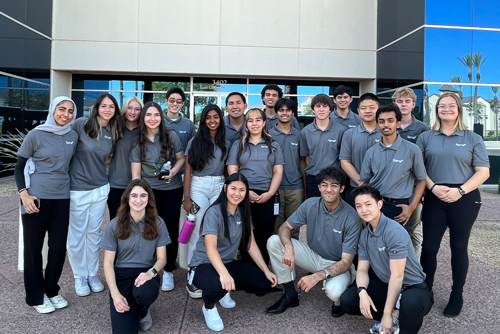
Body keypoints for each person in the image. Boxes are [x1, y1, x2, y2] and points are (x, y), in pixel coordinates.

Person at [416, 93, 489, 317]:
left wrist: (460, 191)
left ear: (458, 109)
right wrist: (433, 187)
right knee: (429, 247)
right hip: (434, 196)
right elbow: (419, 169)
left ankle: (457, 294)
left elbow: (483, 172)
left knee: (459, 247)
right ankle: (425, 292)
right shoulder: (426, 137)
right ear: (436, 110)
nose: (446, 109)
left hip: (464, 198)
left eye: (451, 105)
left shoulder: (472, 138)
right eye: (442, 106)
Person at [266, 167, 361, 318]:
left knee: (335, 292)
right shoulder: (310, 204)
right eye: (324, 184)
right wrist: (289, 246)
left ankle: (337, 303)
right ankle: (290, 295)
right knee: (274, 241)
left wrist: (316, 277)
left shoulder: (352, 217)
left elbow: (346, 262)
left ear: (342, 188)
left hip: (338, 263)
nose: (328, 189)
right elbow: (285, 227)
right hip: (313, 255)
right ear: (319, 187)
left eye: (334, 185)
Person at [189, 173, 278, 332]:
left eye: (242, 190)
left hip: (228, 262)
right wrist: (223, 274)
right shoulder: (214, 212)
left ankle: (225, 289)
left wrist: (266, 270)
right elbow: (211, 248)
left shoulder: (243, 213)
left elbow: (250, 244)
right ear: (225, 188)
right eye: (233, 188)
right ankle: (209, 307)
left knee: (264, 284)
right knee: (216, 285)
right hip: (204, 264)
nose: (237, 193)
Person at [340, 186, 433, 334]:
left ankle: (395, 317)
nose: (363, 210)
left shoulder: (394, 232)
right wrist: (362, 291)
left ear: (379, 204)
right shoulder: (364, 235)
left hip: (412, 287)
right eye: (359, 206)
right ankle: (396, 315)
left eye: (368, 204)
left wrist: (386, 314)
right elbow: (362, 269)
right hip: (386, 285)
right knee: (348, 301)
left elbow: (397, 277)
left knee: (410, 303)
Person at [15, 96, 78, 313]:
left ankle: (52, 290)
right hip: (35, 198)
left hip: (62, 197)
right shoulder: (36, 134)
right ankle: (35, 296)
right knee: (33, 249)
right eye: (61, 109)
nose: (66, 115)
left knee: (59, 248)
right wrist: (24, 195)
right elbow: (19, 167)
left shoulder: (72, 135)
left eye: (70, 111)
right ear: (52, 110)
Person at [68, 93, 124, 297]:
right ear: (97, 107)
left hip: (100, 189)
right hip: (77, 189)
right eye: (104, 106)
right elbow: (67, 150)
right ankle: (79, 276)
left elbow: (107, 159)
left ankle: (92, 274)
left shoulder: (113, 130)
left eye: (112, 107)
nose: (108, 110)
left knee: (94, 234)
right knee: (76, 235)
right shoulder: (81, 124)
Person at [100, 179, 170, 333]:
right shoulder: (114, 224)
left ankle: (143, 311)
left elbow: (162, 258)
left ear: (149, 198)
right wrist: (116, 294)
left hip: (146, 272)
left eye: (143, 196)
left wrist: (151, 273)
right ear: (127, 198)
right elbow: (108, 263)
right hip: (122, 274)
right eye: (134, 196)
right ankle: (132, 306)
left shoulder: (159, 223)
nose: (138, 200)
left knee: (145, 293)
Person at [130, 101, 185, 292]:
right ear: (143, 117)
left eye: (156, 115)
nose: (152, 119)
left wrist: (174, 172)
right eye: (148, 115)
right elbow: (136, 174)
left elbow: (181, 159)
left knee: (169, 229)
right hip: (149, 192)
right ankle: (149, 267)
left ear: (161, 117)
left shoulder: (171, 135)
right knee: (149, 228)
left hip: (172, 190)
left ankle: (169, 270)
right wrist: (138, 196)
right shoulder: (138, 141)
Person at [183, 104, 231, 298]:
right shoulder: (195, 141)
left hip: (219, 185)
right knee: (197, 229)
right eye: (208, 117)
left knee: (216, 230)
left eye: (216, 117)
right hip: (199, 185)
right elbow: (188, 171)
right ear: (203, 120)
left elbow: (228, 169)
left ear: (221, 119)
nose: (212, 120)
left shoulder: (226, 141)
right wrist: (187, 198)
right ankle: (192, 272)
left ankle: (215, 270)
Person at [227, 108, 284, 265]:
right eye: (250, 120)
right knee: (245, 234)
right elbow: (232, 170)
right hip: (243, 195)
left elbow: (278, 171)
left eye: (258, 120)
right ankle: (247, 270)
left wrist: (270, 193)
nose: (254, 123)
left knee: (264, 234)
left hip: (267, 194)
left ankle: (264, 271)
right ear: (246, 123)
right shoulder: (238, 145)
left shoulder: (273, 145)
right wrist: (245, 192)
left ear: (264, 122)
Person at [359, 104, 426, 233]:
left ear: (398, 124)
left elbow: (421, 180)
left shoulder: (412, 150)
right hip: (375, 204)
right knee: (374, 244)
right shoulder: (371, 152)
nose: (386, 125)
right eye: (382, 121)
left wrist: (411, 207)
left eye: (391, 120)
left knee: (397, 247)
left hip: (399, 206)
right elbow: (365, 183)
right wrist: (363, 208)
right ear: (377, 125)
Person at [393, 87, 430, 259]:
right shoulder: (390, 125)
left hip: (414, 188)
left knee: (414, 229)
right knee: (394, 228)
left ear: (414, 104)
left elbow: (427, 161)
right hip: (394, 187)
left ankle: (414, 267)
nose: (403, 105)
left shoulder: (423, 129)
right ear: (395, 103)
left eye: (407, 101)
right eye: (400, 101)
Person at [270, 98, 304, 239]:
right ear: (276, 113)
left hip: (295, 187)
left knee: (294, 227)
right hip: (274, 187)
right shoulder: (268, 135)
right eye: (281, 110)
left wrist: (305, 186)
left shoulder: (299, 135)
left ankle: (292, 258)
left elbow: (303, 161)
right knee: (275, 225)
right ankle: (275, 259)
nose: (284, 113)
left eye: (288, 110)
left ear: (293, 113)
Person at [300, 93, 346, 198]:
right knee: (313, 210)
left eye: (325, 106)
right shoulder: (305, 132)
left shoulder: (341, 131)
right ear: (313, 109)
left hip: (334, 179)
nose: (321, 109)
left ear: (330, 109)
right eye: (318, 106)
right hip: (313, 179)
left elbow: (344, 159)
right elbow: (305, 158)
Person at [340, 93, 381, 206]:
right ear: (358, 111)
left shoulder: (387, 133)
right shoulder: (349, 134)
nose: (368, 111)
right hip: (356, 188)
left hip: (382, 189)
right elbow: (345, 161)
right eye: (363, 108)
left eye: (372, 107)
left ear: (379, 109)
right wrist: (362, 182)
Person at [107, 96, 143, 219]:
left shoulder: (145, 130)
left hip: (140, 184)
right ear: (125, 109)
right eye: (130, 108)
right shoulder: (115, 127)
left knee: (137, 221)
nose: (133, 112)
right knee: (116, 220)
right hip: (116, 183)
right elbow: (104, 155)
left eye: (137, 109)